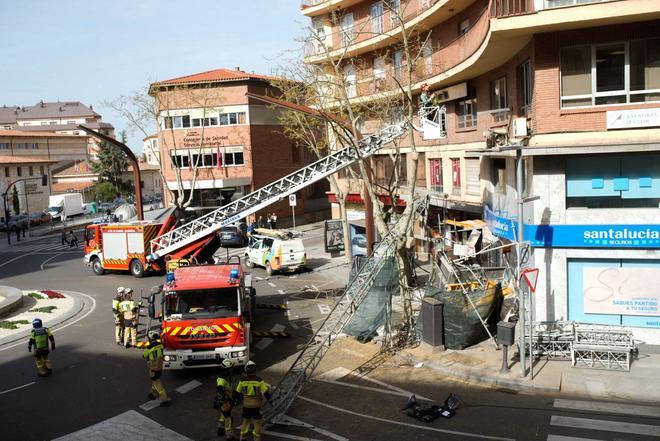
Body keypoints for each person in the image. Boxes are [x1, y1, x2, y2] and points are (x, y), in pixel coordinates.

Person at [236, 361, 271, 441]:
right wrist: (271, 401)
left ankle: (243, 438)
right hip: (256, 406)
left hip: (246, 406)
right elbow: (266, 393)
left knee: (245, 422)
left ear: (246, 370)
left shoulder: (242, 381)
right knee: (257, 423)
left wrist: (238, 401)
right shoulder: (259, 380)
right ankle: (256, 438)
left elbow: (238, 392)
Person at [142, 330, 171, 406]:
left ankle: (164, 399)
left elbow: (144, 355)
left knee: (156, 382)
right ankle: (153, 394)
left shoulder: (149, 347)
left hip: (153, 368)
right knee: (155, 380)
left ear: (150, 338)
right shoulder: (160, 345)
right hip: (160, 367)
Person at [215, 359, 238, 439]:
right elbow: (219, 388)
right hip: (224, 400)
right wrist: (225, 398)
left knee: (223, 414)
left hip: (226, 399)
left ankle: (220, 428)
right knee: (228, 417)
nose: (232, 369)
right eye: (231, 368)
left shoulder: (226, 376)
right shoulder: (222, 378)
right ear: (228, 369)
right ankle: (229, 435)